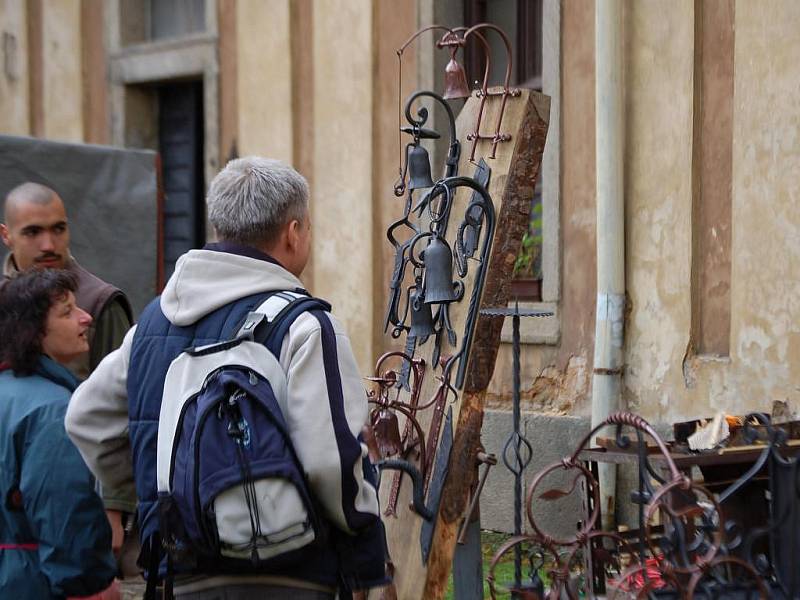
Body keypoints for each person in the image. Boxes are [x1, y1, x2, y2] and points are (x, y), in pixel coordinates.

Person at [66, 157, 388, 599]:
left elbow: (85, 418)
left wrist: (171, 486)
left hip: (180, 573)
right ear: (293, 233)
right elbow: (330, 462)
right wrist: (365, 536)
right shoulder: (305, 326)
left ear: (220, 228)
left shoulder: (151, 325)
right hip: (292, 574)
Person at [0, 181, 137, 557]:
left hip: (81, 496)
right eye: (33, 232)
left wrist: (114, 506)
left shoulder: (97, 303)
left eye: (58, 229)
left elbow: (125, 408)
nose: (48, 244)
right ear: (7, 235)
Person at [0, 269, 118, 598]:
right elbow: (65, 515)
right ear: (33, 332)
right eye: (67, 312)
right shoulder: (52, 412)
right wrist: (91, 586)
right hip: (35, 584)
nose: (85, 318)